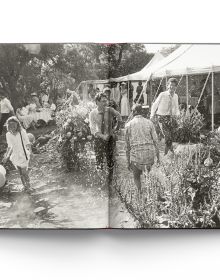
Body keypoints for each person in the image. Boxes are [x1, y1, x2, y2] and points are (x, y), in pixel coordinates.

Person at [125, 104, 160, 194]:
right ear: (141, 112)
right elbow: (156, 141)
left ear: (133, 112)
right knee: (147, 176)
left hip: (136, 156)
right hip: (149, 155)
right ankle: (149, 193)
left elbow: (127, 146)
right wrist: (158, 158)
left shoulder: (128, 125)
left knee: (136, 177)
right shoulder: (149, 123)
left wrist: (128, 161)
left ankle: (139, 194)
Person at [89, 92, 122, 184]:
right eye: (103, 101)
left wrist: (116, 129)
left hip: (110, 138)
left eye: (106, 101)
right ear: (97, 102)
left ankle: (110, 180)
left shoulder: (110, 110)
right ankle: (101, 180)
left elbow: (119, 116)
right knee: (99, 160)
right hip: (99, 139)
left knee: (110, 159)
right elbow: (92, 128)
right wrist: (102, 136)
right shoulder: (93, 113)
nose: (105, 103)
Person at [150, 77, 180, 155]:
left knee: (171, 135)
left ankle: (169, 151)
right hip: (161, 117)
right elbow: (155, 104)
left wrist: (178, 115)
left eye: (174, 85)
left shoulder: (176, 96)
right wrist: (152, 115)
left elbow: (176, 107)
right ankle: (167, 152)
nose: (172, 87)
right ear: (167, 86)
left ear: (176, 87)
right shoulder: (162, 94)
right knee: (167, 135)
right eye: (170, 85)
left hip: (171, 117)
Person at [2, 117, 32, 191]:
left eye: (14, 126)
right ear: (8, 126)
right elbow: (10, 147)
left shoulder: (22, 132)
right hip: (15, 156)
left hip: (23, 154)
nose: (12, 128)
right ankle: (24, 186)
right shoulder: (8, 134)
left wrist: (31, 152)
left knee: (24, 172)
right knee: (21, 173)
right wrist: (6, 156)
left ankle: (28, 186)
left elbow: (27, 143)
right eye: (10, 126)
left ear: (17, 125)